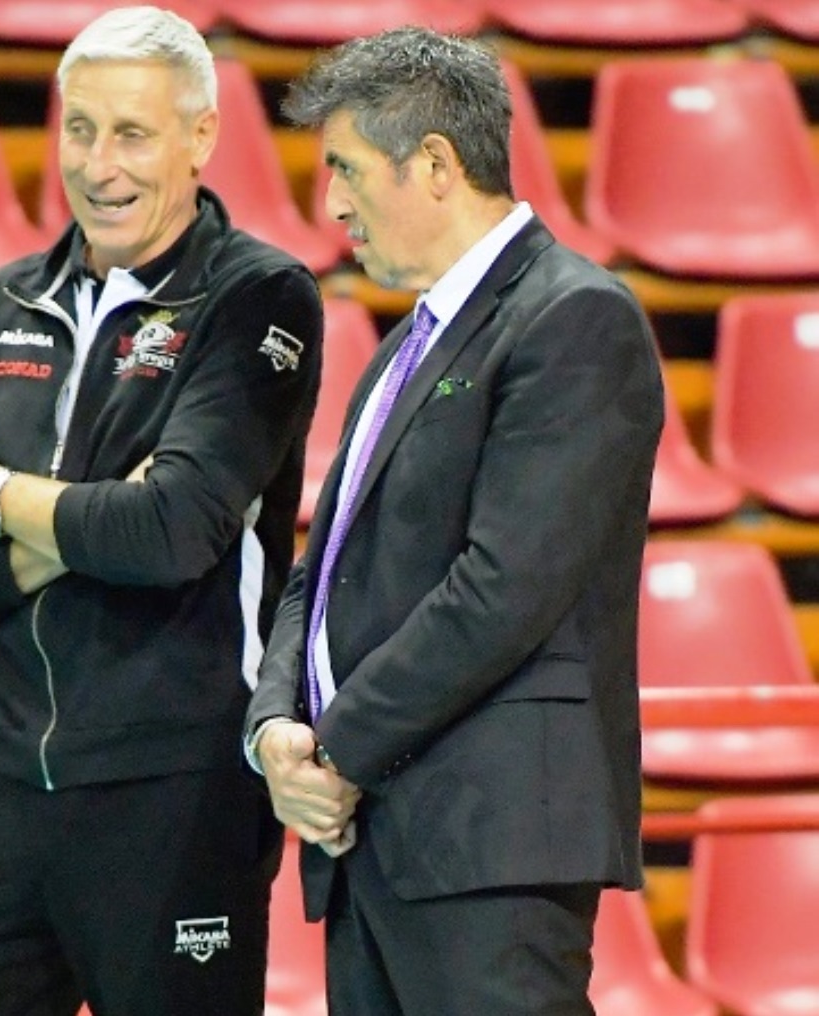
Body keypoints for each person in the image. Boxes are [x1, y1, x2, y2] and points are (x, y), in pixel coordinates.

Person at [0, 6, 324, 1014]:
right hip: (2, 777)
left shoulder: (258, 298)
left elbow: (170, 533)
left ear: (200, 137)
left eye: (131, 133)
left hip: (179, 791)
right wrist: (85, 521)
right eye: (79, 129)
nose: (98, 165)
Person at [244, 26, 664, 1016]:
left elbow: (502, 588)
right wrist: (274, 729)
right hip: (378, 839)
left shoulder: (576, 317)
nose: (331, 203)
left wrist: (336, 748)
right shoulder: (407, 344)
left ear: (434, 164)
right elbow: (321, 567)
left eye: (346, 168)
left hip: (489, 844)